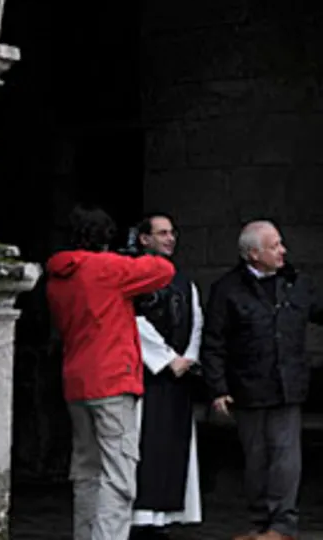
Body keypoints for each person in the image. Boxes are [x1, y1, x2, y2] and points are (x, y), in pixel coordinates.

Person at [201, 220, 323, 540]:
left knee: (285, 459)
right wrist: (217, 388)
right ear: (253, 254)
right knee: (256, 459)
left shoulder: (295, 282)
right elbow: (214, 342)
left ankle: (282, 525)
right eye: (274, 246)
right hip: (248, 387)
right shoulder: (228, 289)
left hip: (286, 384)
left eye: (280, 243)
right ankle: (261, 523)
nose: (282, 251)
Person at [45, 204, 176, 540]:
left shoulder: (60, 274)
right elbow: (163, 270)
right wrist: (131, 254)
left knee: (87, 472)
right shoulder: (105, 268)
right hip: (112, 379)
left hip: (77, 379)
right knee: (119, 475)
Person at [128, 213, 204, 538]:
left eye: (172, 232)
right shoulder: (132, 277)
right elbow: (132, 320)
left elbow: (196, 320)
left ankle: (163, 519)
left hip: (178, 377)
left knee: (173, 445)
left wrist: (188, 357)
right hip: (148, 375)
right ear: (144, 239)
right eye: (162, 233)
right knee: (147, 443)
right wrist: (166, 358)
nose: (170, 238)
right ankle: (142, 518)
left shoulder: (184, 280)